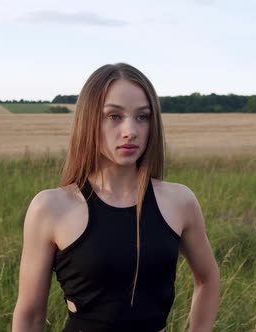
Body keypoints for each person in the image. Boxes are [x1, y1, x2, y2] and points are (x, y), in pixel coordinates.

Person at [12, 63, 220, 332]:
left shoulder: (179, 202)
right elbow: (29, 316)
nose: (130, 130)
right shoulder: (51, 208)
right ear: (89, 120)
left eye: (142, 117)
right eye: (114, 116)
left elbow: (207, 277)